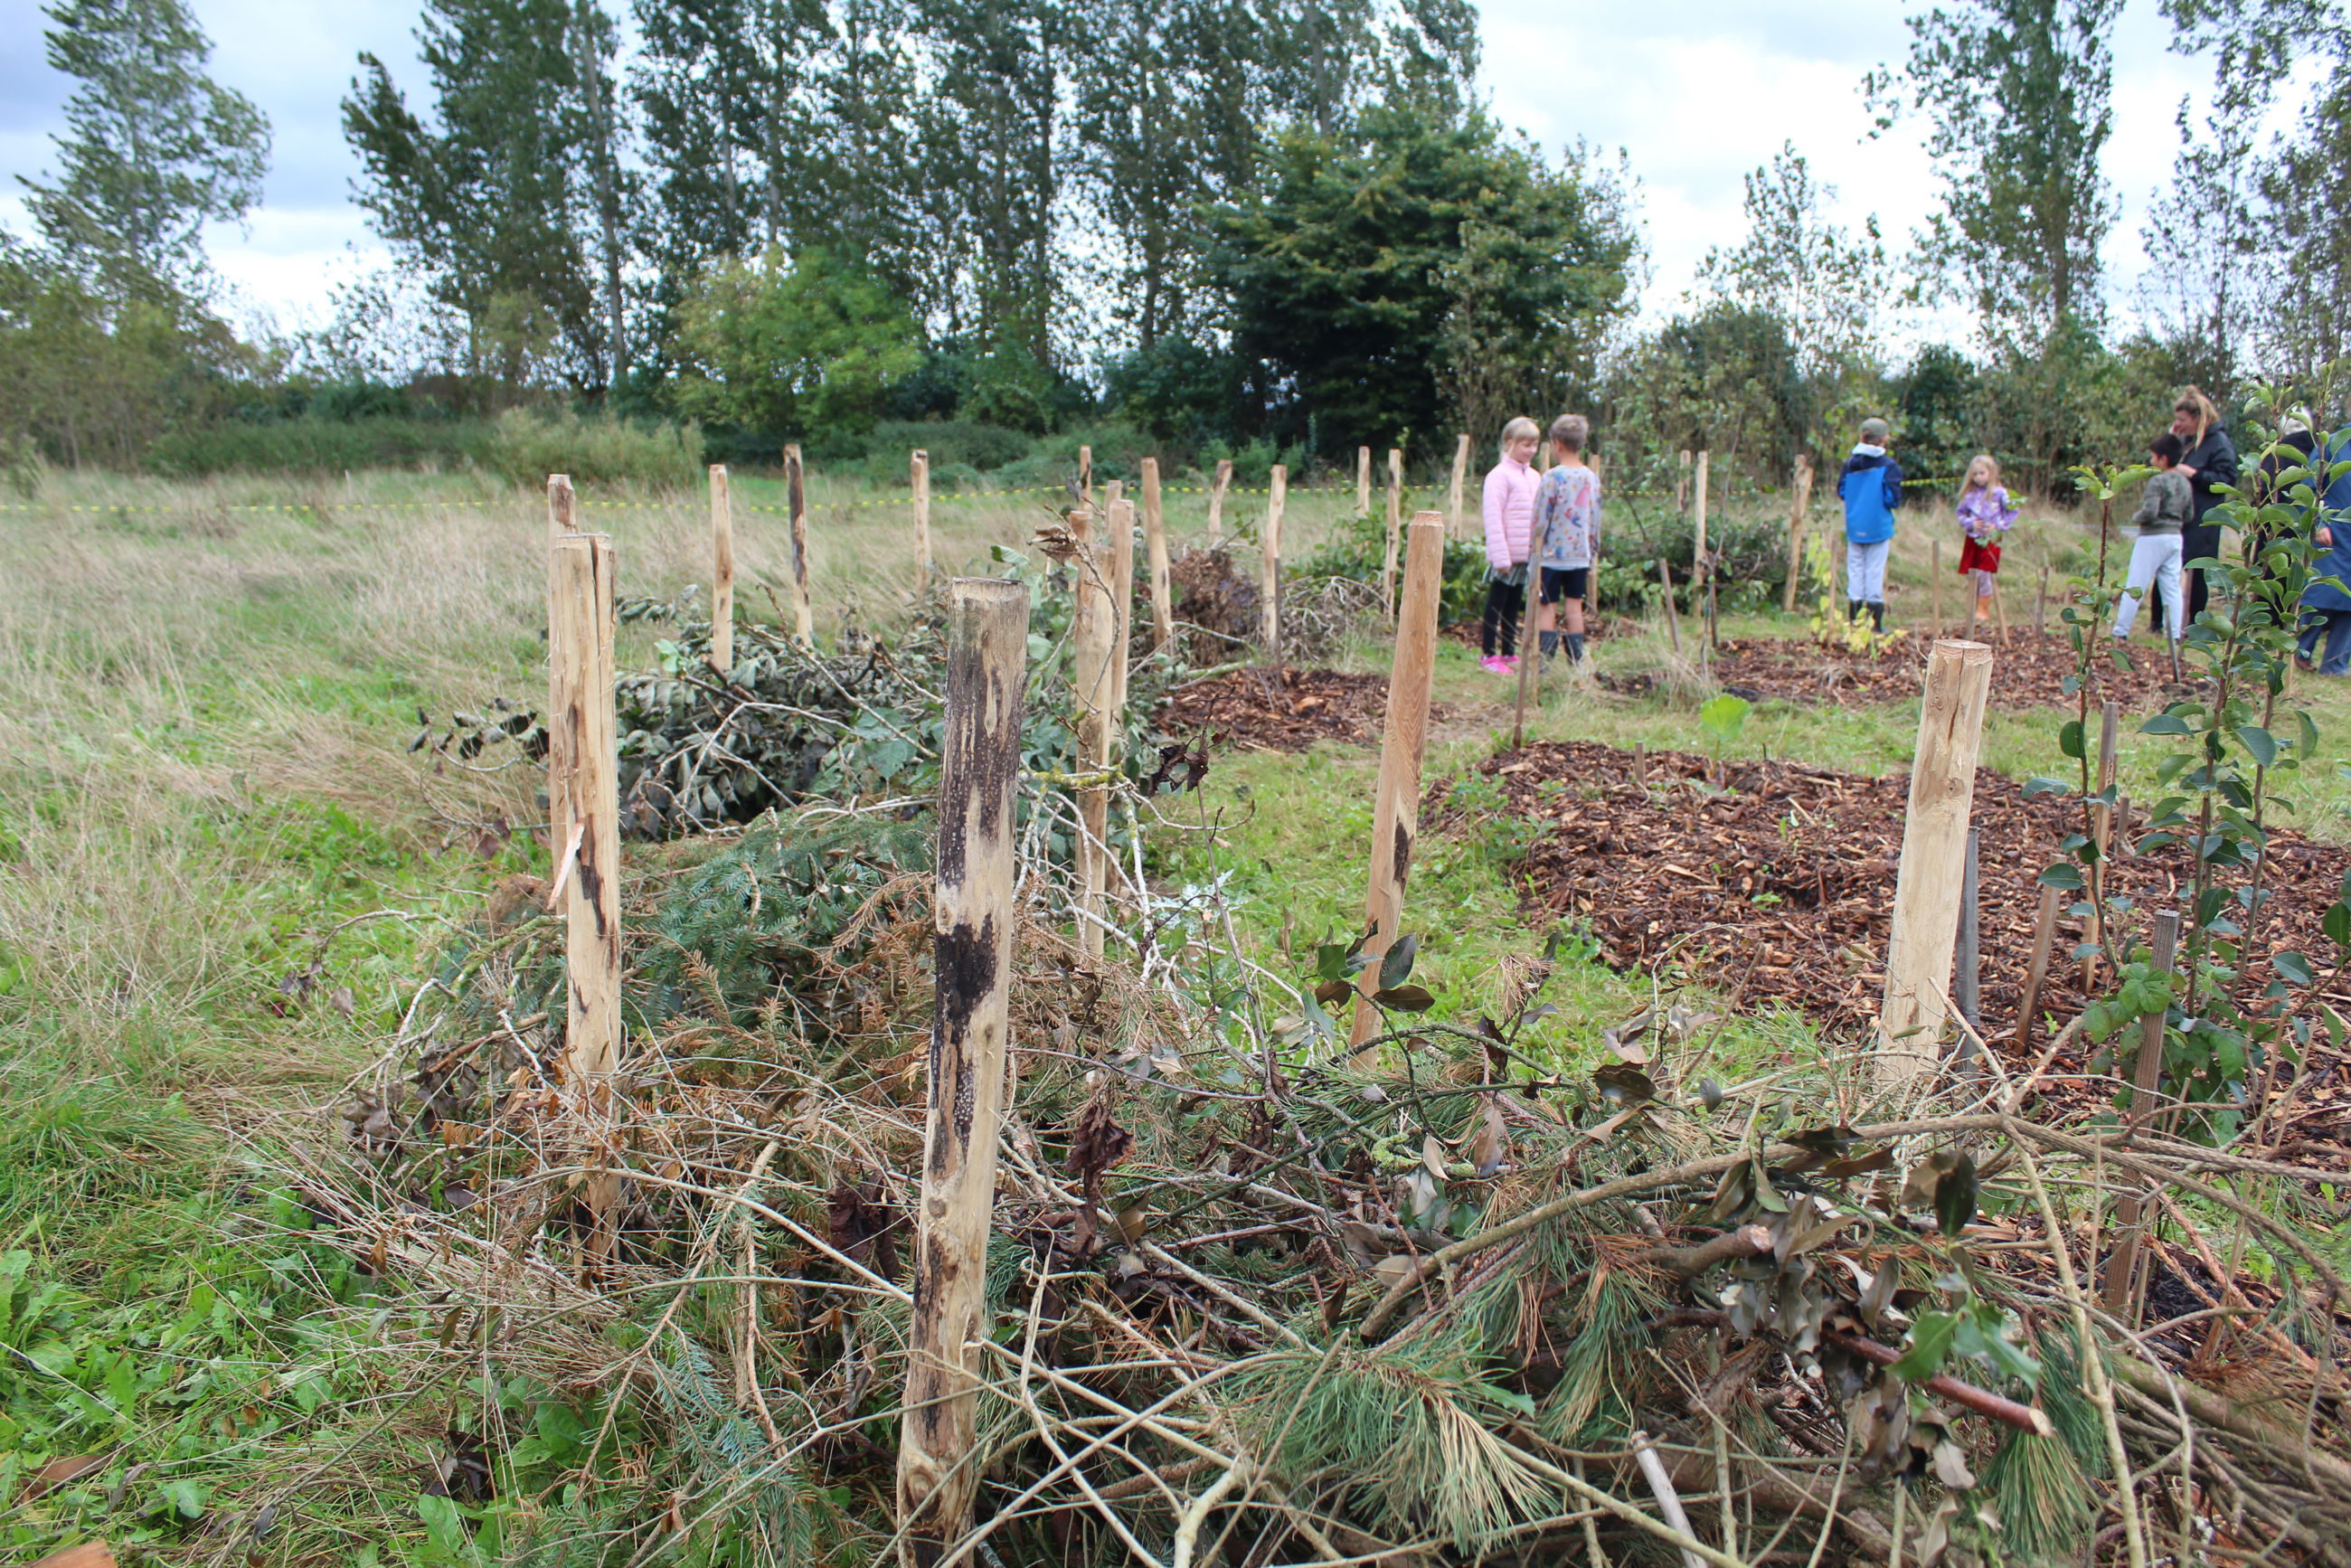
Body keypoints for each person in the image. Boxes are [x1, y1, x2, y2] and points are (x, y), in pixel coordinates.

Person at [1531, 412, 1600, 663]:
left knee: (1547, 606)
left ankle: (1544, 662)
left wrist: (1534, 550)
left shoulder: (1552, 477)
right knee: (1574, 606)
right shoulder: (1591, 478)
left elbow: (1541, 518)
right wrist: (1592, 553)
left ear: (1557, 444)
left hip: (1551, 556)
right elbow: (1595, 519)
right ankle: (1576, 661)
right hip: (1580, 556)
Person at [2170, 386, 2241, 624]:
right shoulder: (2187, 442)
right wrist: (2172, 441)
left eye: (2182, 420)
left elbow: (2226, 480)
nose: (2178, 424)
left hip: (2203, 518)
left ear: (2197, 417)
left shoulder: (2219, 443)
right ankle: (2160, 623)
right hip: (2180, 515)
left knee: (2197, 570)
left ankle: (2193, 624)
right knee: (2170, 566)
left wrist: (2194, 474)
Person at [2115, 433, 2192, 644]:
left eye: (2153, 456)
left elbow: (2150, 511)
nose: (2151, 461)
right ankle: (2174, 634)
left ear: (2162, 459)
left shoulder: (2157, 481)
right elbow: (2189, 514)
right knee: (2172, 587)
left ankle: (2121, 631)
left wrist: (2136, 517)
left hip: (2152, 537)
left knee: (2135, 584)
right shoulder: (2185, 483)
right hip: (2175, 537)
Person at [1479, 417, 1542, 671]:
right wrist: (1500, 557)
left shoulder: (1535, 476)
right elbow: (1493, 517)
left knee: (1514, 604)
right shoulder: (1498, 476)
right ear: (1509, 443)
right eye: (1526, 445)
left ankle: (1508, 651)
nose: (1531, 450)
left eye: (1535, 445)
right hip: (1505, 555)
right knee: (1496, 604)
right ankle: (1488, 654)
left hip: (1525, 555)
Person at [1838, 416, 1903, 632]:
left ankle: (1854, 622)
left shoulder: (1850, 464)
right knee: (1874, 571)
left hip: (1855, 524)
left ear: (1861, 437)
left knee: (1855, 571)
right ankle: (1875, 624)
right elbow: (1892, 499)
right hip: (1878, 526)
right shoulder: (1889, 466)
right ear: (1884, 439)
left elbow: (1842, 491)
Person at [2296, 420, 2351, 672]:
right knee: (2321, 591)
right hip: (2333, 530)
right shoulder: (2333, 444)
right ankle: (2300, 650)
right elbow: (2309, 486)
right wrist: (2316, 522)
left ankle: (2335, 665)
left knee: (2349, 603)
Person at [1953, 453, 2016, 626]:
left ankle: (1983, 609)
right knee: (1973, 573)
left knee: (1984, 573)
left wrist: (1999, 526)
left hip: (1991, 539)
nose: (1978, 477)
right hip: (1973, 538)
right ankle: (1973, 606)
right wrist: (1970, 524)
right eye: (1975, 474)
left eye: (1982, 473)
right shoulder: (1970, 494)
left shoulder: (2000, 493)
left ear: (1991, 472)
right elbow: (1960, 513)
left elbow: (2013, 512)